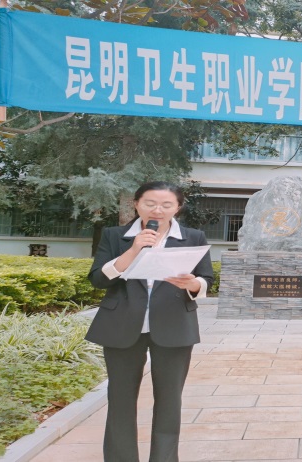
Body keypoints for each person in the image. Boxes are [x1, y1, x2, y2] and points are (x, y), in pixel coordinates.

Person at [86, 181, 213, 462]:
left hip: (173, 326)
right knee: (120, 400)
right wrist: (133, 250)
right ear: (137, 204)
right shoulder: (115, 235)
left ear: (177, 207)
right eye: (150, 203)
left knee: (169, 401)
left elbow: (207, 279)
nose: (158, 210)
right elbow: (98, 280)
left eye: (166, 205)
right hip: (121, 326)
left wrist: (192, 284)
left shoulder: (193, 237)